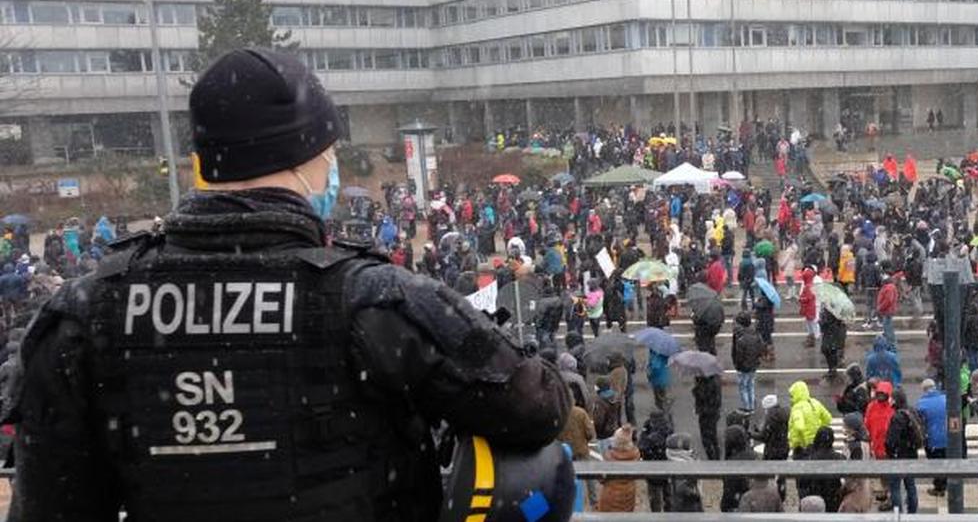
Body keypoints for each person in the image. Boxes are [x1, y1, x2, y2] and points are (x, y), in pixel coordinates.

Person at [6, 48, 571, 521]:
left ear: (205, 162)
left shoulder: (83, 316)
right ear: (314, 158)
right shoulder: (378, 301)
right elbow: (535, 406)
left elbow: (50, 503)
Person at [885, 386, 922, 514]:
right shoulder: (911, 411)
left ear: (895, 400)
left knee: (895, 487)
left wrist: (890, 453)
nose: (889, 400)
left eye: (891, 398)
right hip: (911, 453)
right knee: (910, 485)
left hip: (899, 456)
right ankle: (912, 512)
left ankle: (898, 513)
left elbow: (891, 440)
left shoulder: (897, 417)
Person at [915, 378, 949, 496]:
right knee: (945, 461)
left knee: (935, 464)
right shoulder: (945, 399)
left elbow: (919, 423)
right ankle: (944, 484)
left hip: (932, 439)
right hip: (947, 436)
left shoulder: (921, 404)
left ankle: (939, 487)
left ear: (924, 390)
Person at [799, 426, 844, 510]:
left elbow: (802, 483)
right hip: (833, 499)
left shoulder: (810, 459)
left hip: (814, 499)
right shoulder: (839, 458)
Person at [596, 425, 640, 512]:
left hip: (610, 493)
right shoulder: (635, 455)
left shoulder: (609, 456)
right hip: (628, 493)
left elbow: (601, 478)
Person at [639, 410, 674, 513]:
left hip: (652, 469)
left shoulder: (650, 433)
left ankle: (658, 515)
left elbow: (642, 446)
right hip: (667, 469)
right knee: (668, 497)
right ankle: (669, 516)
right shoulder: (668, 430)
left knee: (655, 499)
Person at [788, 380, 832, 457]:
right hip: (817, 442)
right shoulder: (815, 403)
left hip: (802, 446)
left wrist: (802, 443)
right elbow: (828, 418)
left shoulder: (797, 408)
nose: (790, 399)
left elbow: (799, 426)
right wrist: (818, 428)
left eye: (791, 396)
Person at [721, 425, 759, 512]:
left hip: (738, 505)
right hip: (755, 503)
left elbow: (729, 493)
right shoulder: (754, 456)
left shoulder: (731, 463)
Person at [731, 312, 764, 413]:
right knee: (750, 384)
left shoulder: (740, 337)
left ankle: (747, 407)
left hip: (743, 367)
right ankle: (752, 405)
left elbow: (738, 355)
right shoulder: (755, 334)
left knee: (743, 386)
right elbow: (761, 348)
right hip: (753, 364)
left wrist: (737, 365)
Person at [666, 433, 704, 512]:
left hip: (688, 501)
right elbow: (681, 488)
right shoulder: (679, 464)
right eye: (689, 446)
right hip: (686, 503)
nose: (692, 449)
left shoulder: (685, 461)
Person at [692, 373, 722, 461]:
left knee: (706, 438)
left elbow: (703, 396)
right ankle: (716, 457)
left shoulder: (706, 383)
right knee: (713, 437)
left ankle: (712, 458)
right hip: (712, 412)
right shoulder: (714, 379)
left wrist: (696, 390)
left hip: (706, 413)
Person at [819, 303, 847, 378]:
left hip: (832, 334)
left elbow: (826, 323)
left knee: (828, 350)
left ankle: (832, 369)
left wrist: (822, 322)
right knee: (829, 351)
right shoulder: (833, 310)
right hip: (832, 334)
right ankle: (832, 369)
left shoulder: (832, 311)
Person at [876, 272, 900, 349]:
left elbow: (888, 300)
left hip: (887, 311)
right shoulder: (890, 287)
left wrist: (880, 307)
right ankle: (890, 343)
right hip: (888, 310)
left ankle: (891, 344)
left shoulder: (888, 288)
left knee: (888, 328)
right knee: (888, 327)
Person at [647, 348, 673, 412]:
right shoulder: (664, 355)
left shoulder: (655, 357)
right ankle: (665, 409)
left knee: (659, 400)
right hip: (664, 379)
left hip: (657, 381)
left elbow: (655, 368)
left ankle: (663, 412)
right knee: (662, 396)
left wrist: (650, 375)